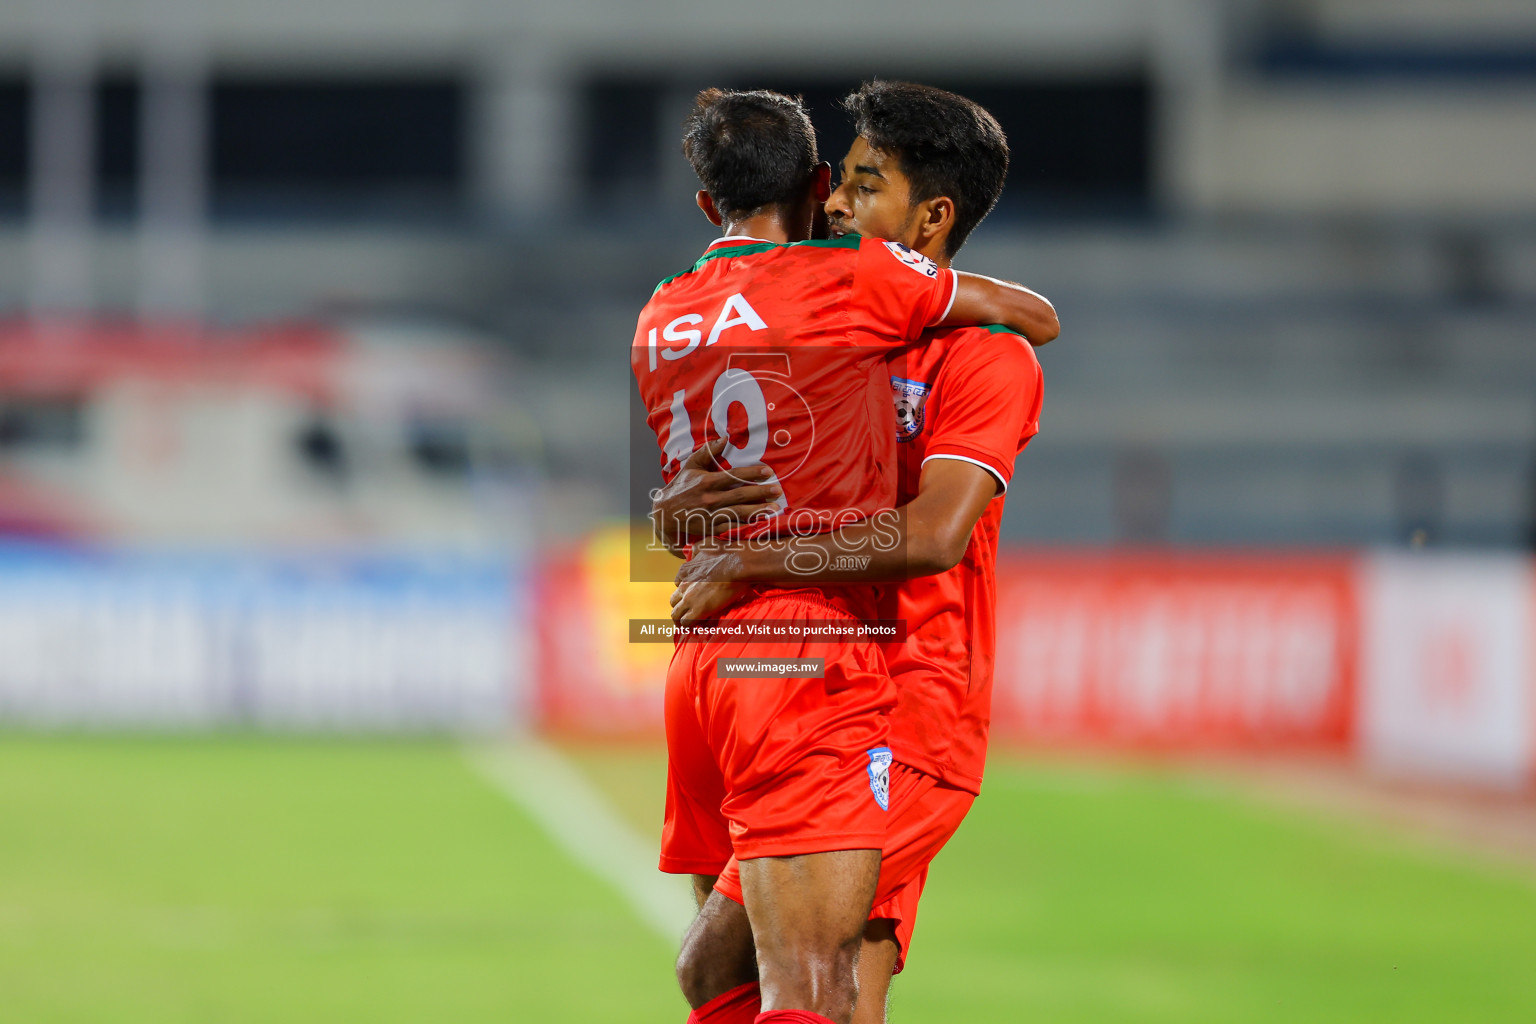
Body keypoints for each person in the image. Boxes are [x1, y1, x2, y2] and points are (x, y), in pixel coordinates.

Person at [632, 87, 1057, 1024]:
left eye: (864, 187)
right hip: (805, 677)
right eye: (840, 183)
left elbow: (934, 534)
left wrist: (754, 563)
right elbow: (725, 478)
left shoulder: (981, 357)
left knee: (745, 972)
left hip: (909, 709)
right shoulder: (829, 322)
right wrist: (679, 518)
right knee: (825, 995)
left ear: (932, 217)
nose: (832, 206)